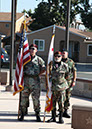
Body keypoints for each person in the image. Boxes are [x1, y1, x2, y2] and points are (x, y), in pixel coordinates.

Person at [19, 44, 45, 121]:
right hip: (26, 82)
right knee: (24, 99)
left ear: (36, 50)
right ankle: (22, 114)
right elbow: (20, 68)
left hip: (35, 82)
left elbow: (43, 69)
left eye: (33, 49)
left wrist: (38, 75)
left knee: (36, 100)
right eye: (30, 49)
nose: (32, 50)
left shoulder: (39, 59)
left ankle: (37, 115)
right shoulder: (25, 59)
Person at [47, 51, 69, 123]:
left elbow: (67, 76)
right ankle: (53, 117)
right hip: (53, 87)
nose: (57, 57)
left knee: (61, 103)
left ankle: (60, 118)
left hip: (61, 87)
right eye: (56, 56)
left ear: (61, 57)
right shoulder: (51, 65)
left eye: (59, 56)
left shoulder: (65, 66)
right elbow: (48, 75)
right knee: (53, 103)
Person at [62, 49, 77, 118]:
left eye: (64, 53)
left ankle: (65, 111)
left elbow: (74, 71)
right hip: (60, 82)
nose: (63, 54)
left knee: (67, 97)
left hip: (68, 82)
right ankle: (60, 111)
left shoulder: (71, 62)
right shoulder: (59, 61)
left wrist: (74, 81)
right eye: (62, 53)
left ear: (67, 54)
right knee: (61, 97)